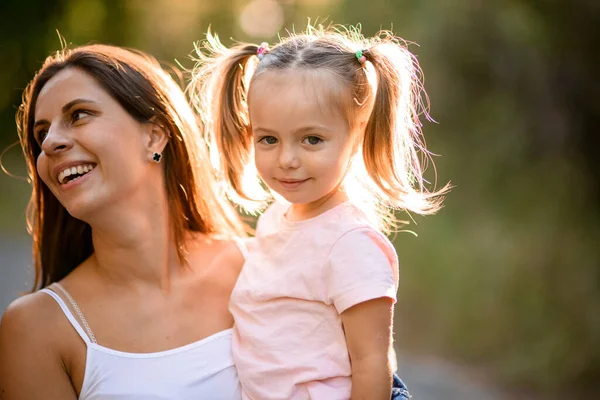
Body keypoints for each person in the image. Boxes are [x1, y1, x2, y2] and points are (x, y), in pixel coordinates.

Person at [189, 24, 449, 400]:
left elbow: (372, 366)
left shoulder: (350, 244)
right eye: (269, 139)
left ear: (356, 135)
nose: (287, 159)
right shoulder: (276, 217)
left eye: (312, 139)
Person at [0, 44, 248, 399]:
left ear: (154, 135)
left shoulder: (262, 266)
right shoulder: (36, 329)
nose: (50, 142)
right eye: (41, 134)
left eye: (79, 114)